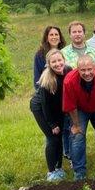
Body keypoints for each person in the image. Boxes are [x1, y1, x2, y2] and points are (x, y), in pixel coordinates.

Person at [62, 55, 95, 180]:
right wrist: (76, 125)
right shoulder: (69, 80)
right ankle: (79, 170)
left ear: (94, 67)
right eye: (83, 70)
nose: (87, 73)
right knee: (77, 136)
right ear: (77, 69)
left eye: (89, 69)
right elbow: (71, 106)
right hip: (80, 109)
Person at [30, 49, 72, 181]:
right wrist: (52, 124)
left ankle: (59, 167)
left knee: (59, 138)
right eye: (54, 62)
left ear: (64, 60)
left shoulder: (68, 70)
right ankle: (51, 171)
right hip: (41, 109)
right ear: (49, 64)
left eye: (60, 60)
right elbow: (45, 105)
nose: (58, 64)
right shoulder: (46, 80)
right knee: (52, 138)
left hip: (58, 109)